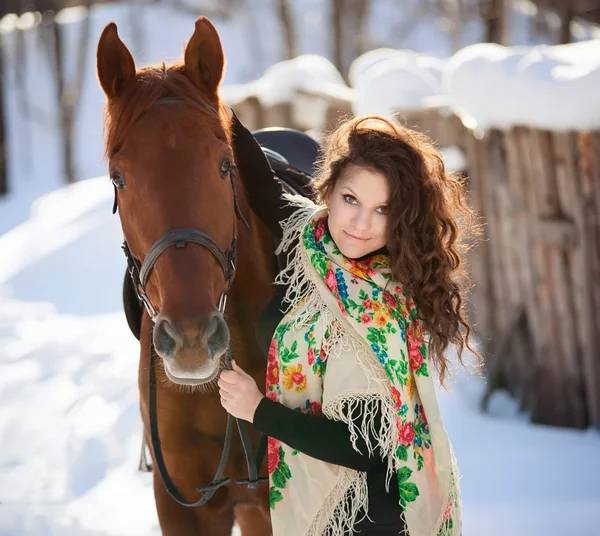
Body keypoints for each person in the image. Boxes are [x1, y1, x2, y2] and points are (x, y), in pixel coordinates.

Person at [218, 113, 481, 536]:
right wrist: (206, 96)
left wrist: (256, 410)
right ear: (327, 192)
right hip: (331, 506)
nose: (360, 225)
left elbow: (366, 447)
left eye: (383, 210)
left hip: (366, 517)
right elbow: (264, 185)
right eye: (350, 200)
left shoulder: (382, 304)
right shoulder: (317, 243)